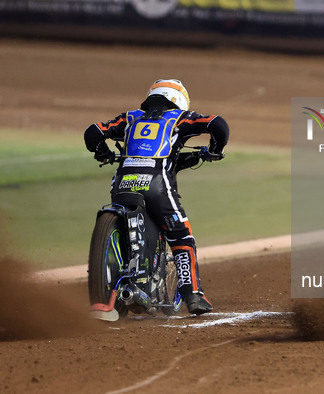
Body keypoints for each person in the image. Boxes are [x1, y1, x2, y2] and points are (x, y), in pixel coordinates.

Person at [84, 79, 229, 315]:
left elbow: (93, 132)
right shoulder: (180, 118)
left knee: (125, 229)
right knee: (182, 236)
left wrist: (102, 153)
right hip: (156, 184)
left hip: (122, 184)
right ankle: (193, 296)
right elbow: (218, 124)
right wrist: (215, 150)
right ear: (178, 100)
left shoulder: (130, 118)